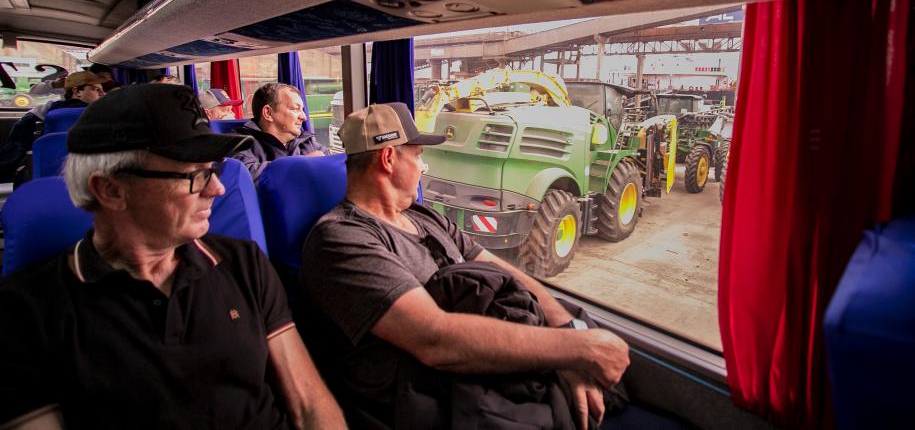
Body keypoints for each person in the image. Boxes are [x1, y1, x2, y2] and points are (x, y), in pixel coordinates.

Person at [0, 84, 345, 430]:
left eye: (214, 170)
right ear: (111, 190)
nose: (217, 189)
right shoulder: (26, 310)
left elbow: (309, 404)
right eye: (195, 176)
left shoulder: (245, 263)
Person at [297, 102, 632, 429]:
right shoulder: (340, 240)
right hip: (426, 396)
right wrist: (576, 350)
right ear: (388, 158)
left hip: (472, 380)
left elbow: (503, 271)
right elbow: (434, 340)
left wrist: (564, 328)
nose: (422, 167)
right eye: (417, 156)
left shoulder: (424, 218)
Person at [0, 71, 108, 183]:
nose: (102, 94)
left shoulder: (51, 108)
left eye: (102, 90)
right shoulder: (94, 113)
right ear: (77, 91)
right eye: (96, 89)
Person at [232, 83, 329, 180]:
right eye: (295, 109)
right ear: (268, 113)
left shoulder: (307, 142)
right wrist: (301, 164)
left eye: (302, 110)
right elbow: (245, 177)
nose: (304, 117)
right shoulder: (239, 143)